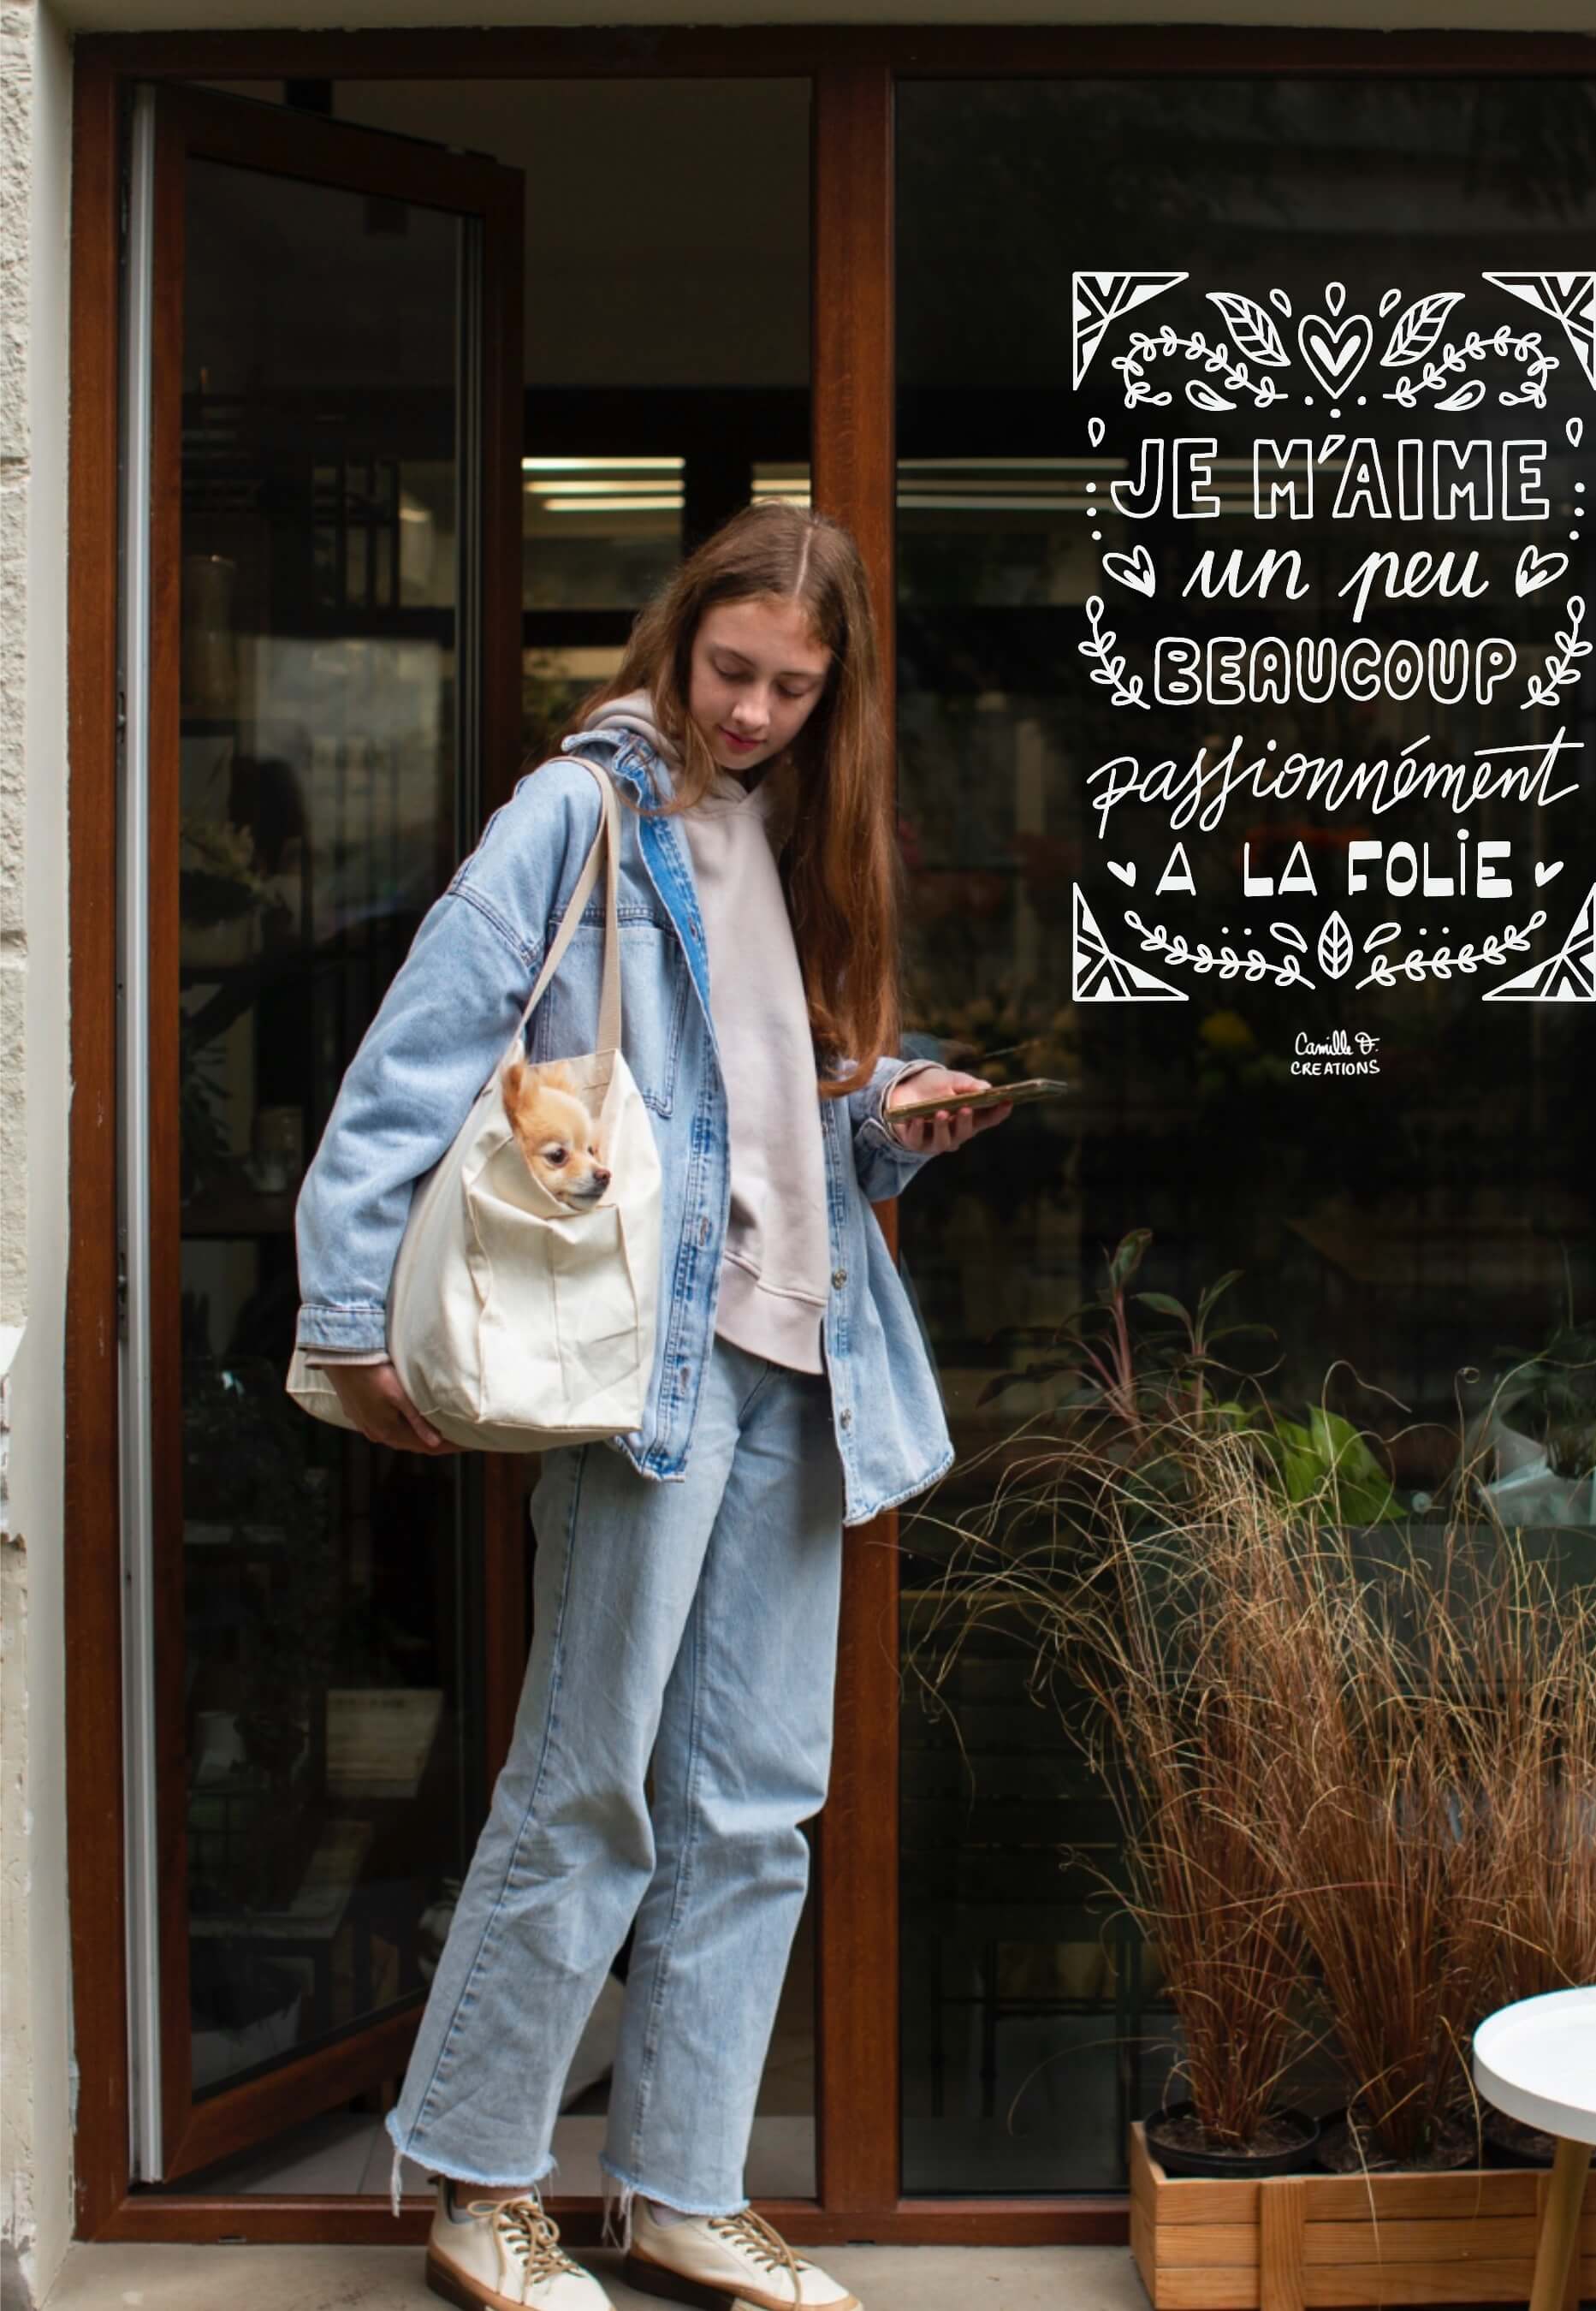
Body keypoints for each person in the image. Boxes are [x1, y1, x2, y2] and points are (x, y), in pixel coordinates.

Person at [292, 500, 1011, 2311]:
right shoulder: (583, 812)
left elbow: (783, 1122)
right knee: (588, 1777)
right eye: (732, 672)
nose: (755, 711)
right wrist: (343, 1305)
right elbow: (423, 1051)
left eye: (792, 687)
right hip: (647, 1379)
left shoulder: (801, 844)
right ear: (677, 642)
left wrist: (891, 1120)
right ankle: (477, 2183)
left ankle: (682, 2183)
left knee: (758, 1799)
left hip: (805, 1358)